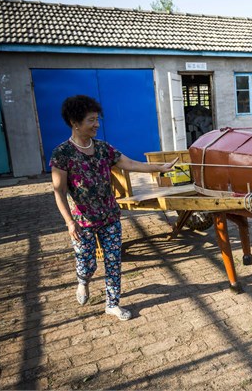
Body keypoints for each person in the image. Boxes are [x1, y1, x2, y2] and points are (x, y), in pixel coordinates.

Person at [50, 95, 177, 321]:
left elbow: (130, 164)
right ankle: (83, 281)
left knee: (113, 261)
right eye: (91, 120)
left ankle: (112, 303)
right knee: (87, 264)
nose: (97, 124)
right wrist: (69, 222)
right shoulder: (62, 154)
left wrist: (160, 167)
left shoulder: (103, 149)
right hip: (82, 222)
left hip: (110, 216)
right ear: (74, 122)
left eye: (97, 119)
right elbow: (59, 191)